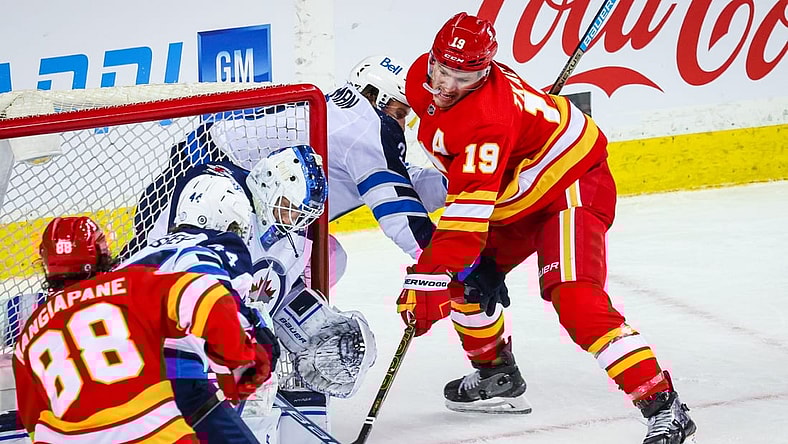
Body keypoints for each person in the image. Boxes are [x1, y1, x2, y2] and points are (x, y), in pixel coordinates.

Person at [396, 12, 697, 444]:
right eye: (442, 70)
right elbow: (469, 191)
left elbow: (461, 224)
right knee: (465, 282)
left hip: (570, 186)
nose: (445, 86)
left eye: (463, 77)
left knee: (575, 299)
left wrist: (427, 279)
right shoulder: (424, 80)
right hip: (518, 193)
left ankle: (663, 405)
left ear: (484, 74)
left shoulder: (487, 121)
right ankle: (496, 375)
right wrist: (447, 272)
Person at [123, 144, 376, 443]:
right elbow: (193, 279)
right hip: (169, 331)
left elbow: (274, 295)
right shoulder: (220, 197)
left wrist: (317, 327)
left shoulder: (288, 241)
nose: (293, 219)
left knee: (256, 402)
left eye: (301, 214)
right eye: (290, 206)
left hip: (221, 337)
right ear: (270, 184)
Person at [12, 216, 271, 443]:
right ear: (100, 252)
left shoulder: (27, 338)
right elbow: (206, 295)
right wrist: (237, 360)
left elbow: (33, 424)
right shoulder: (128, 286)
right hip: (152, 433)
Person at [118, 173, 278, 444]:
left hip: (97, 388)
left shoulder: (136, 255)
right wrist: (258, 335)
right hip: (167, 383)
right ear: (217, 219)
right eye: (235, 227)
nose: (237, 237)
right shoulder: (204, 251)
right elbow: (223, 309)